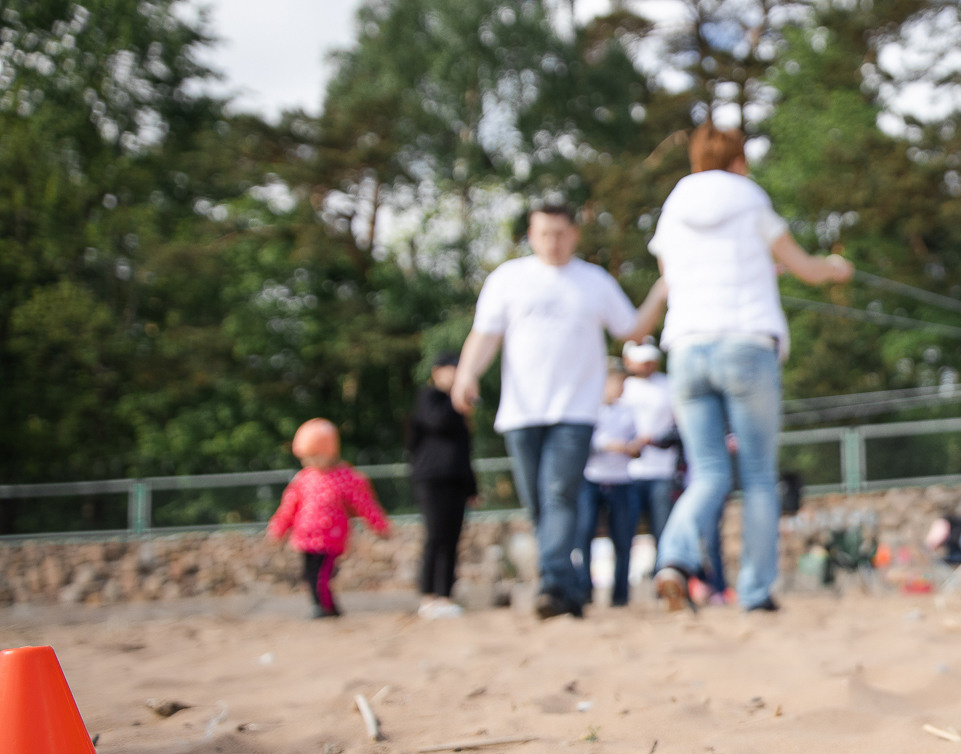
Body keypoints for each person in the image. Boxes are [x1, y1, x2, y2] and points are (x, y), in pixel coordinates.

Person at [647, 122, 853, 613]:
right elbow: (802, 265)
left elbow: (672, 277)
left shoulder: (675, 202)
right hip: (746, 342)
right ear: (738, 159)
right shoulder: (747, 195)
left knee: (707, 473)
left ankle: (673, 558)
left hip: (687, 348)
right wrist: (833, 268)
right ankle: (756, 591)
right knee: (759, 477)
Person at [452, 201, 665, 620]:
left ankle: (551, 584)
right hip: (521, 411)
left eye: (561, 233)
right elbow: (485, 335)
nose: (553, 241)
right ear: (531, 235)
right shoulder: (508, 279)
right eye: (544, 233)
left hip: (575, 410)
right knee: (538, 504)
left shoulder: (593, 281)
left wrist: (660, 290)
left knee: (559, 494)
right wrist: (465, 374)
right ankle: (566, 587)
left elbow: (632, 329)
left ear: (574, 234)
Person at [268, 418, 390, 619]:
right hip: (305, 537)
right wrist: (278, 528)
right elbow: (288, 508)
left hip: (330, 537)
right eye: (306, 458)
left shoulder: (345, 477)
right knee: (310, 575)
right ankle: (329, 607)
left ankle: (322, 607)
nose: (310, 463)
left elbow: (364, 504)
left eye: (316, 457)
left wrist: (379, 525)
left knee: (321, 575)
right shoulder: (303, 479)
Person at [406, 353, 478, 618]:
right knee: (435, 537)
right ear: (438, 371)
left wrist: (472, 488)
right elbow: (437, 422)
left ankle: (445, 596)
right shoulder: (429, 397)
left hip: (457, 480)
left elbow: (464, 449)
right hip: (432, 479)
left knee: (452, 540)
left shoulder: (458, 407)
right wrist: (460, 401)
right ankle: (428, 596)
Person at [576, 370, 645, 607]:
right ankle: (584, 590)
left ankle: (621, 595)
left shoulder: (629, 411)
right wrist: (610, 445)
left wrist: (633, 447)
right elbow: (583, 442)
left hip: (622, 481)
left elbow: (637, 445)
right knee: (583, 535)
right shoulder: (587, 408)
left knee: (624, 540)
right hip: (591, 480)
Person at [619, 338, 681, 550]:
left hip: (662, 470)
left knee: (663, 530)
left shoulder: (669, 385)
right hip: (625, 473)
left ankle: (664, 574)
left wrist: (656, 440)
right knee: (624, 534)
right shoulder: (621, 388)